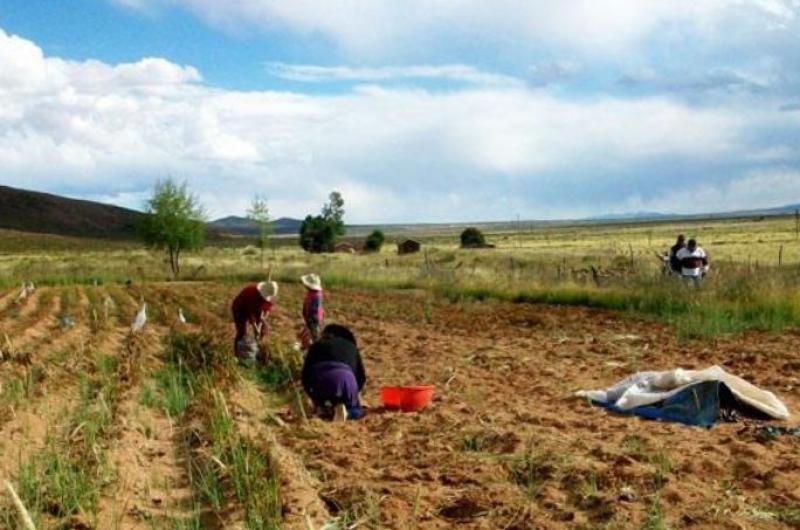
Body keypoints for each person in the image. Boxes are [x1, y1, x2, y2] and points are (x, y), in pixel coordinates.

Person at [301, 324, 366, 421]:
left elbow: (305, 373)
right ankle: (347, 411)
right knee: (355, 409)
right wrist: (354, 395)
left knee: (321, 402)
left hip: (319, 377)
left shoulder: (317, 345)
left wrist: (311, 395)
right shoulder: (351, 347)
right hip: (344, 377)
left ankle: (320, 409)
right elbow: (360, 377)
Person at [231, 281, 278, 358]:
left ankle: (259, 347)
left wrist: (262, 321)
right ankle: (237, 353)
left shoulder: (270, 294)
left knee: (264, 328)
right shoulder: (252, 293)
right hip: (240, 308)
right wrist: (256, 328)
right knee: (242, 331)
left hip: (255, 308)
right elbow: (251, 313)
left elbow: (266, 309)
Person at [301, 273, 324, 342]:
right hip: (310, 317)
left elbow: (315, 309)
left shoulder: (316, 295)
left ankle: (317, 345)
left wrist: (311, 319)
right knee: (310, 332)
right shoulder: (311, 293)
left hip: (314, 319)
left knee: (315, 334)